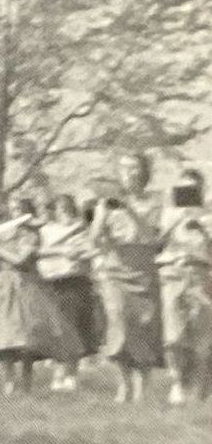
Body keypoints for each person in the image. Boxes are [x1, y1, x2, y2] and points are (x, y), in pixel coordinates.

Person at [0, 195, 78, 395]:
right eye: (13, 209)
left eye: (20, 209)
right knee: (5, 335)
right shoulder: (5, 233)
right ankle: (9, 381)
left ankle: (26, 382)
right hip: (4, 285)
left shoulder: (31, 234)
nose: (16, 213)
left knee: (27, 336)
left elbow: (20, 259)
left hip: (26, 284)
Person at [90, 152, 166, 405]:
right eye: (124, 168)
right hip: (115, 270)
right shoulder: (106, 204)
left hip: (143, 270)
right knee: (119, 323)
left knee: (143, 326)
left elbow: (152, 238)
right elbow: (94, 240)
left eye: (134, 168)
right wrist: (102, 215)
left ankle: (142, 388)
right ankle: (124, 384)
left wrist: (129, 209)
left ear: (143, 172)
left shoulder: (155, 202)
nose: (130, 173)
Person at [157, 170, 212, 406]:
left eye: (193, 189)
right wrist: (178, 218)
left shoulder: (209, 214)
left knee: (201, 336)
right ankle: (178, 382)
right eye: (184, 189)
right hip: (172, 272)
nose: (189, 193)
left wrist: (202, 227)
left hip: (200, 273)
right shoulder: (169, 212)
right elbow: (158, 242)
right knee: (173, 336)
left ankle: (200, 387)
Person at [36, 192, 99, 392]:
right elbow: (38, 251)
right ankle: (58, 373)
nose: (66, 213)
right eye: (61, 209)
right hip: (53, 282)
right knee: (56, 330)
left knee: (73, 328)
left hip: (75, 281)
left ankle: (71, 373)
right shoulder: (46, 230)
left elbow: (93, 250)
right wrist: (60, 251)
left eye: (69, 209)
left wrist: (80, 253)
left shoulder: (81, 230)